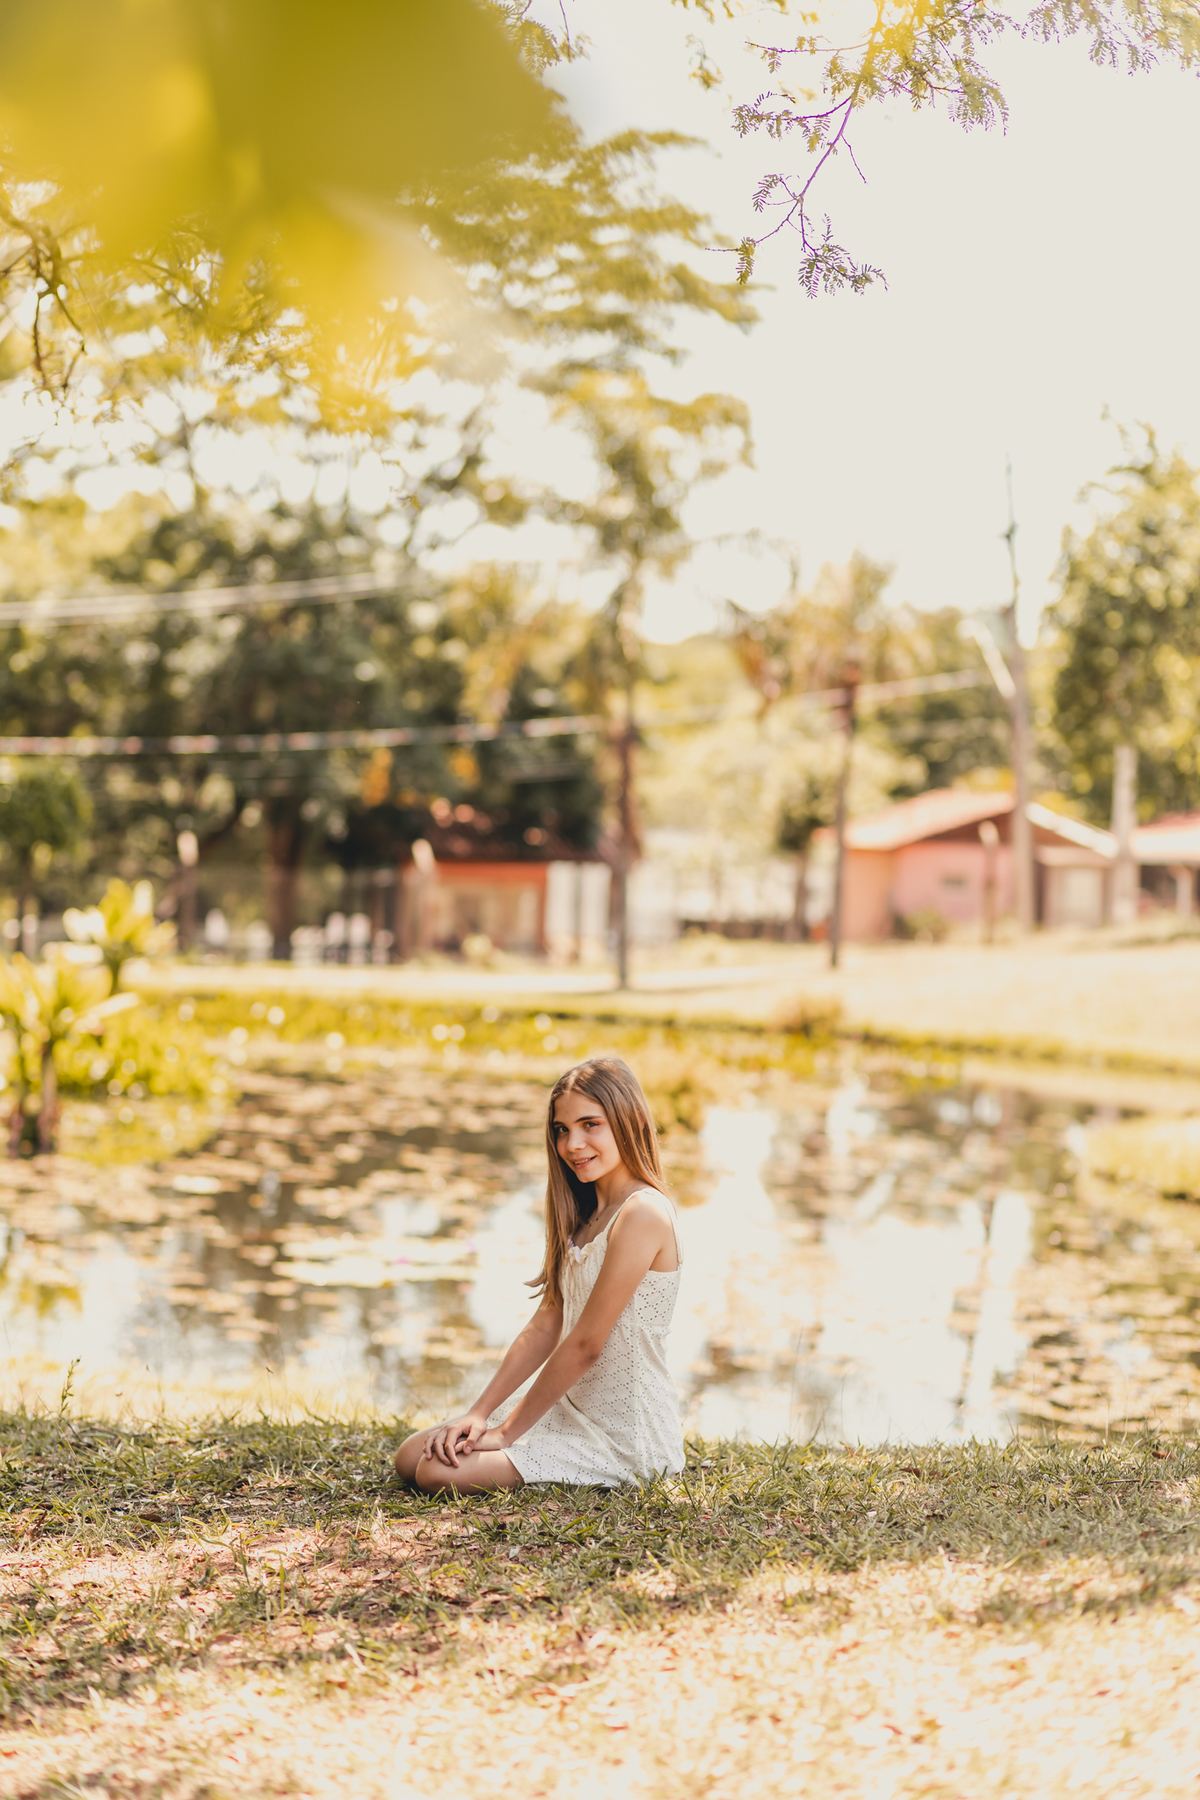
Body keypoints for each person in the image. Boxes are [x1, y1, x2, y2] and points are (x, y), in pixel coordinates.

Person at [393, 1055, 685, 1492]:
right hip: (570, 1408)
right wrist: (479, 1413)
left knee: (435, 1472)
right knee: (411, 1456)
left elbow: (586, 1344)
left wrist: (506, 1432)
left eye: (591, 1125)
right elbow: (548, 1322)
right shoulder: (585, 1213)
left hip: (626, 1433)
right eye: (561, 1130)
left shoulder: (642, 1213)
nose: (572, 1144)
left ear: (627, 1121)